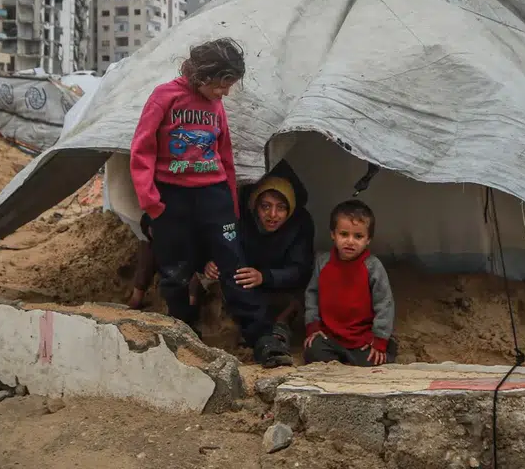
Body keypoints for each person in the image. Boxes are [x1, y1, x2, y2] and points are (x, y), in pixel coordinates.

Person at [129, 38, 292, 367]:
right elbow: (141, 148)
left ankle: (261, 338)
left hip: (213, 195)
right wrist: (152, 202)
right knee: (175, 272)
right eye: (222, 85)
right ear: (202, 76)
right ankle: (185, 334)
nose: (225, 93)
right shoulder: (165, 97)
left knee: (234, 267)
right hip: (172, 198)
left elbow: (224, 155)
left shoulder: (214, 106)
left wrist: (229, 204)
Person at [203, 160, 315, 344]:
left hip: (279, 287)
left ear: (290, 209)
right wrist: (211, 262)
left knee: (293, 303)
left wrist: (265, 276)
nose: (272, 215)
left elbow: (300, 269)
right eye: (266, 206)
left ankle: (275, 331)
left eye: (281, 207)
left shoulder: (300, 224)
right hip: (243, 286)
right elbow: (218, 243)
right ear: (255, 205)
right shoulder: (239, 217)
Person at [303, 199, 398, 367]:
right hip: (330, 336)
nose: (350, 241)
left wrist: (380, 338)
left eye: (358, 236)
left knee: (376, 357)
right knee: (313, 350)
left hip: (363, 338)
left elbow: (385, 303)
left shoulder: (372, 267)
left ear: (368, 239)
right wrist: (313, 325)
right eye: (344, 234)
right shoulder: (322, 262)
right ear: (333, 234)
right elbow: (312, 294)